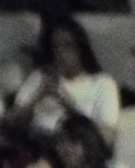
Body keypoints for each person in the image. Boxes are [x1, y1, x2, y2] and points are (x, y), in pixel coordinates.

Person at [8, 15, 122, 145]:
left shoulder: (103, 83)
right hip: (36, 140)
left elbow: (107, 137)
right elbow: (11, 121)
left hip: (74, 144)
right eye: (56, 47)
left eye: (68, 46)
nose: (61, 53)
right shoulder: (41, 75)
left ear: (80, 49)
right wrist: (38, 95)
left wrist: (70, 106)